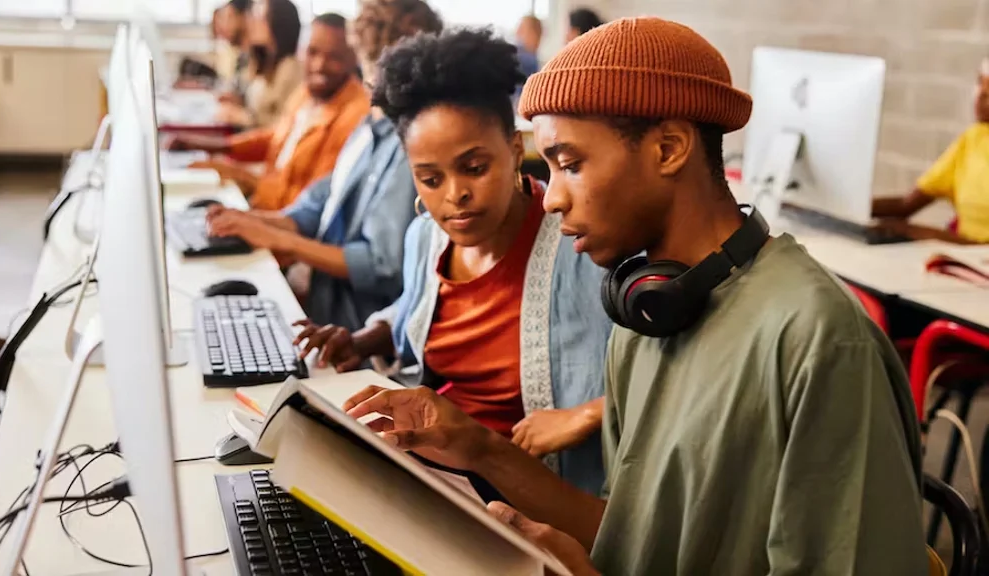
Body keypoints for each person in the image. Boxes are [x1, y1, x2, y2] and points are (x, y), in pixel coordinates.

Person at [341, 18, 927, 576]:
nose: (550, 199)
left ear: (669, 148)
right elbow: (624, 537)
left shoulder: (818, 340)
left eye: (570, 164)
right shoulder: (645, 313)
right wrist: (474, 446)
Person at [294, 28, 611, 497]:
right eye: (429, 178)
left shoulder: (582, 246)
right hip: (435, 471)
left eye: (474, 168)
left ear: (513, 146)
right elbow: (416, 309)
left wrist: (588, 412)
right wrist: (361, 340)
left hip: (527, 491)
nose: (454, 195)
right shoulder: (425, 237)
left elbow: (672, 372)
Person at [205, 0, 444, 333]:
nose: (368, 84)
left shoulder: (410, 145)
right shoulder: (370, 125)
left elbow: (381, 266)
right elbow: (323, 200)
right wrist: (258, 222)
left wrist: (280, 240)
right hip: (323, 311)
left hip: (352, 331)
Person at [171, 12, 370, 211]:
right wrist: (212, 146)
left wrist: (243, 176)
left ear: (353, 60)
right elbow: (276, 138)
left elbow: (309, 205)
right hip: (264, 204)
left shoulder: (355, 116)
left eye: (334, 57)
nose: (319, 65)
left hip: (281, 220)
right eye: (312, 52)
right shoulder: (307, 92)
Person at [872, 58, 989, 244]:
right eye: (980, 85)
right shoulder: (973, 139)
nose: (980, 96)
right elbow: (905, 205)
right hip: (959, 264)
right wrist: (852, 208)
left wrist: (932, 235)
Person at [211, 0, 303, 128]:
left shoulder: (289, 68)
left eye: (261, 17)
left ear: (278, 23)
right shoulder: (267, 62)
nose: (253, 22)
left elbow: (284, 125)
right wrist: (239, 102)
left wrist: (243, 117)